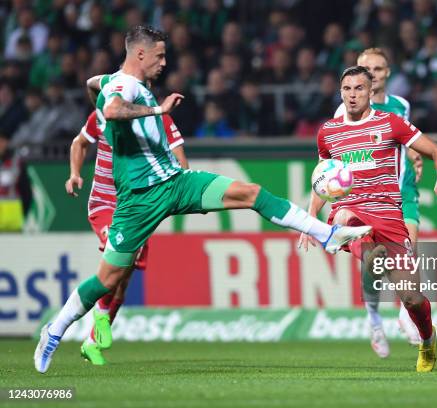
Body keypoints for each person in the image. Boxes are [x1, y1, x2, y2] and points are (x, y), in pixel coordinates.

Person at [34, 25, 371, 374]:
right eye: (160, 55)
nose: (164, 62)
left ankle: (326, 235)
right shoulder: (126, 86)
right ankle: (55, 331)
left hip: (176, 183)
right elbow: (116, 109)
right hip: (138, 200)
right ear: (140, 54)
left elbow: (95, 85)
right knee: (107, 279)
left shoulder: (111, 81)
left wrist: (100, 93)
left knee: (251, 193)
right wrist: (156, 111)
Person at [301, 65, 437, 372]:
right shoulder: (328, 132)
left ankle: (427, 339)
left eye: (359, 88)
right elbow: (323, 180)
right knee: (345, 216)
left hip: (388, 216)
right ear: (340, 92)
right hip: (352, 213)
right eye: (347, 89)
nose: (353, 95)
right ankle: (358, 245)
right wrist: (309, 219)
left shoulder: (390, 123)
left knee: (411, 298)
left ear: (371, 92)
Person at [65, 104, 188, 365]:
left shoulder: (160, 120)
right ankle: (98, 315)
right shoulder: (101, 116)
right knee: (118, 261)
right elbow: (79, 143)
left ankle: (92, 343)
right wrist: (75, 173)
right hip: (104, 203)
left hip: (136, 206)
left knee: (123, 281)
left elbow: (181, 161)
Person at [334, 48, 422, 356]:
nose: (372, 72)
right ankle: (374, 318)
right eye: (365, 68)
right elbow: (335, 163)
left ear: (386, 74)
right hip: (367, 199)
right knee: (377, 261)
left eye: (378, 68)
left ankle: (405, 313)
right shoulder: (342, 113)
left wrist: (414, 155)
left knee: (407, 252)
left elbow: (403, 139)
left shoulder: (401, 106)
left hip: (403, 191)